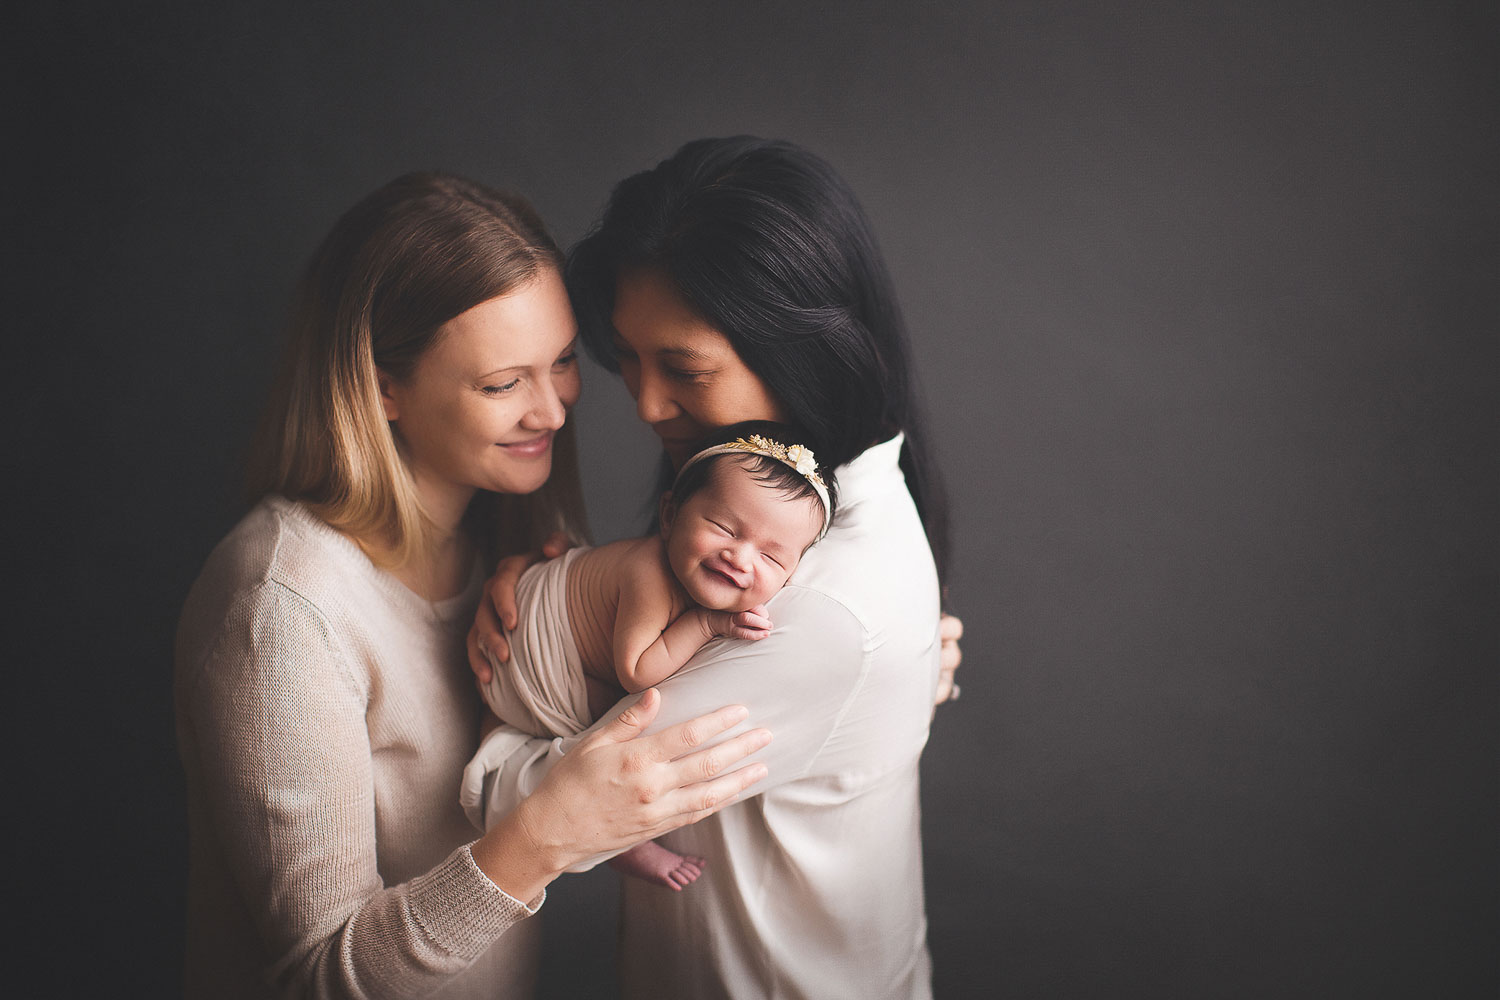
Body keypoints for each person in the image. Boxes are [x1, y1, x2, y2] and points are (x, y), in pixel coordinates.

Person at [173, 172, 772, 1000]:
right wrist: (543, 837)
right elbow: (315, 974)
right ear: (383, 387)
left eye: (562, 363)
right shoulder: (280, 607)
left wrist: (894, 653)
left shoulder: (513, 545)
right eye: (502, 384)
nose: (554, 413)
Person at [466, 137, 962, 998]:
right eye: (627, 359)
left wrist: (532, 636)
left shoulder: (804, 600)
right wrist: (571, 587)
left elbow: (553, 802)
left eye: (684, 370)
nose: (647, 403)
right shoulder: (794, 511)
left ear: (802, 350)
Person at [478, 421, 836, 889]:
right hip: (522, 659)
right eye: (723, 527)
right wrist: (708, 625)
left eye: (771, 559)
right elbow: (637, 672)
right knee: (621, 735)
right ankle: (619, 846)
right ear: (669, 516)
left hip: (563, 652)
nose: (740, 558)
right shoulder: (648, 572)